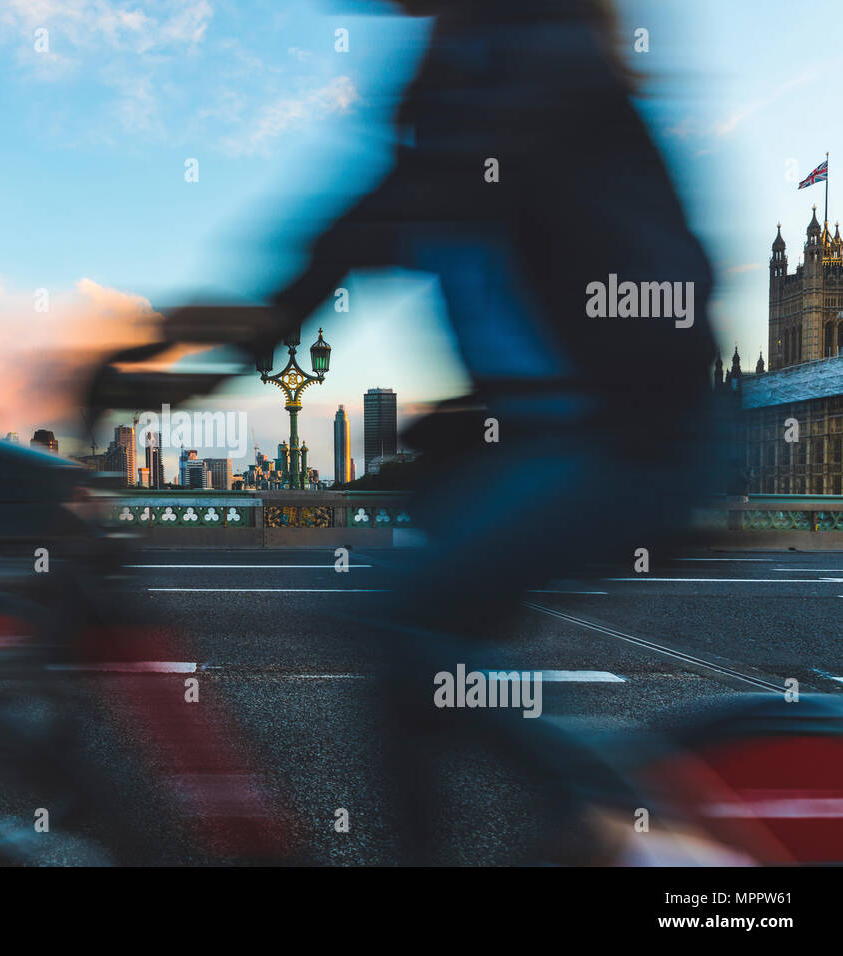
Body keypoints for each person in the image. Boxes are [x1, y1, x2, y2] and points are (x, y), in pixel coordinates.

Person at [87, 0, 718, 862]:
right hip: (558, 435)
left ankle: (642, 833)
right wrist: (173, 360)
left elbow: (383, 215)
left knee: (390, 618)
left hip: (638, 439)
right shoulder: (467, 89)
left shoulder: (535, 62)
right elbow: (345, 244)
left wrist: (199, 345)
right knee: (412, 667)